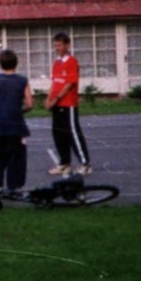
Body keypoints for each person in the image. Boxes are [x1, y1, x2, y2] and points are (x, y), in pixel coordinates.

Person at [0, 48, 34, 201]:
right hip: (16, 124)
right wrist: (19, 110)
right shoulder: (22, 80)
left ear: (0, 64)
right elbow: (30, 104)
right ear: (17, 64)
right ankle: (15, 187)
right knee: (17, 156)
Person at [47, 32, 91, 175]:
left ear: (67, 45)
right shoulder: (56, 62)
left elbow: (69, 84)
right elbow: (54, 83)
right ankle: (64, 163)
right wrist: (49, 99)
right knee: (58, 134)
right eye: (55, 45)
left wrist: (57, 99)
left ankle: (85, 163)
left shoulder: (72, 61)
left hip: (68, 104)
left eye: (59, 45)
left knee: (73, 133)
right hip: (57, 105)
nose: (57, 48)